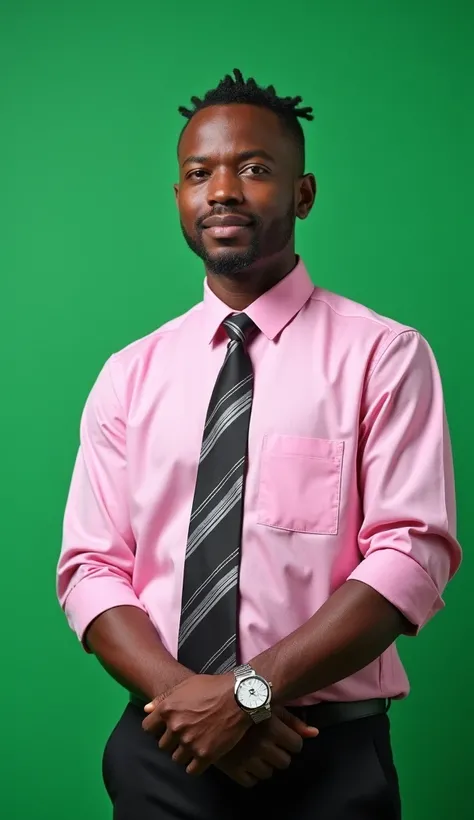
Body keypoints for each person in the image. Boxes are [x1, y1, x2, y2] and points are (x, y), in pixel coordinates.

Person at [56, 68, 462, 819]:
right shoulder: (129, 375)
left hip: (326, 757)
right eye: (198, 173)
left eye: (253, 169)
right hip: (164, 746)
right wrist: (195, 705)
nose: (222, 191)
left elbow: (411, 556)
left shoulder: (385, 356)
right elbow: (90, 569)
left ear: (303, 195)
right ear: (178, 196)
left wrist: (248, 694)